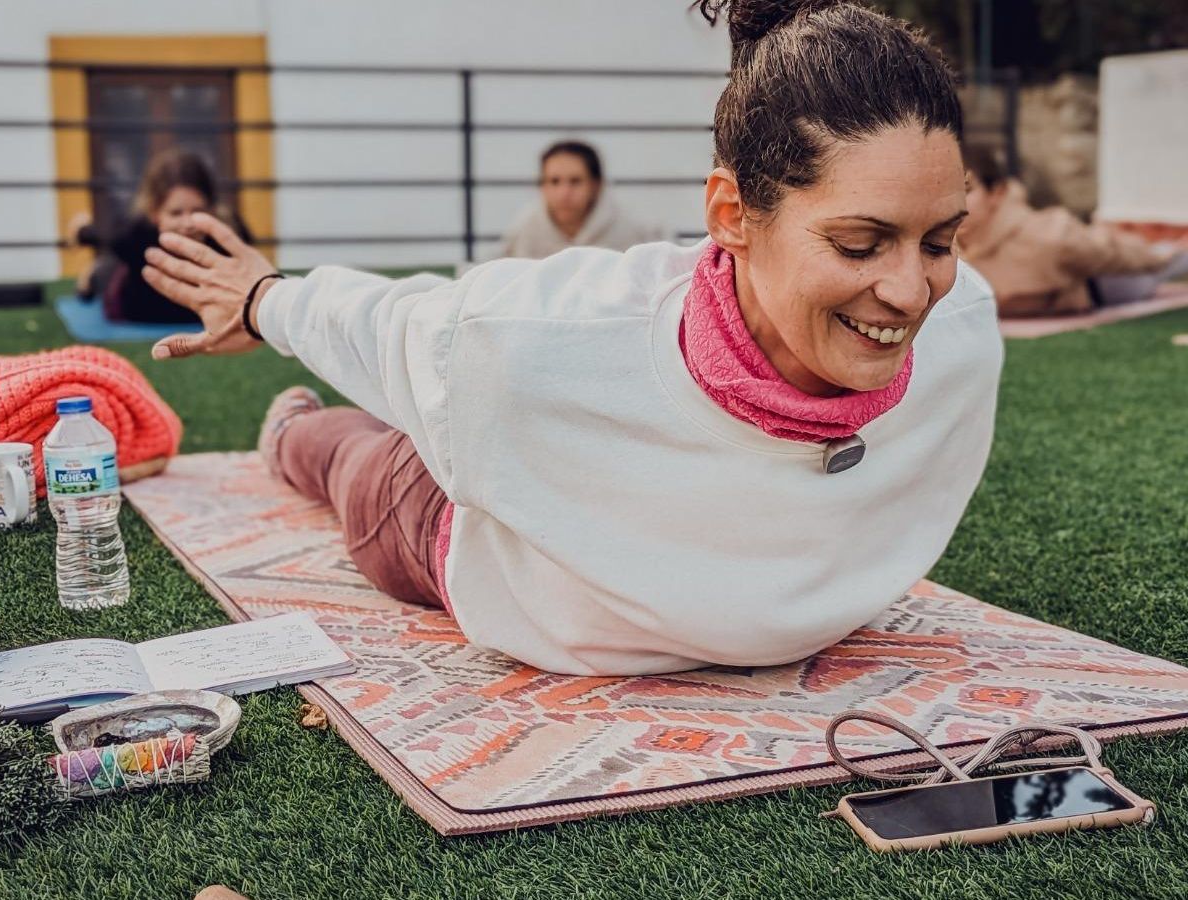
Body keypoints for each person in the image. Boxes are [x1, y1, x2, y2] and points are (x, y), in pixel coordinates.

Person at [138, 0, 1001, 677]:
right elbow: (391, 324)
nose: (909, 290)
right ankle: (292, 427)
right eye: (859, 244)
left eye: (939, 241)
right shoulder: (532, 343)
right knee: (350, 459)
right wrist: (261, 298)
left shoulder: (964, 328)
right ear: (732, 216)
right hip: (450, 521)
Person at [955, 147, 1188, 318]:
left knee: (1157, 266)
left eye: (968, 190)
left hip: (1103, 282)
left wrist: (1160, 258)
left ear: (996, 193)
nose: (957, 202)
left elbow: (1110, 252)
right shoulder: (948, 246)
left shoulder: (1046, 236)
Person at [74, 149, 254, 324]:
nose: (188, 223)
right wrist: (82, 230)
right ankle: (91, 275)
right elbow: (103, 236)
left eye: (198, 211)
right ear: (154, 213)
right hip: (136, 308)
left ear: (212, 209)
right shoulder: (135, 235)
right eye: (176, 213)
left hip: (194, 313)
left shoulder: (227, 234)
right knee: (108, 270)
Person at [500, 140, 662, 258]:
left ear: (596, 185)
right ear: (542, 186)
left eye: (575, 181)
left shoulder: (637, 229)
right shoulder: (524, 230)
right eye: (554, 181)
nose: (564, 193)